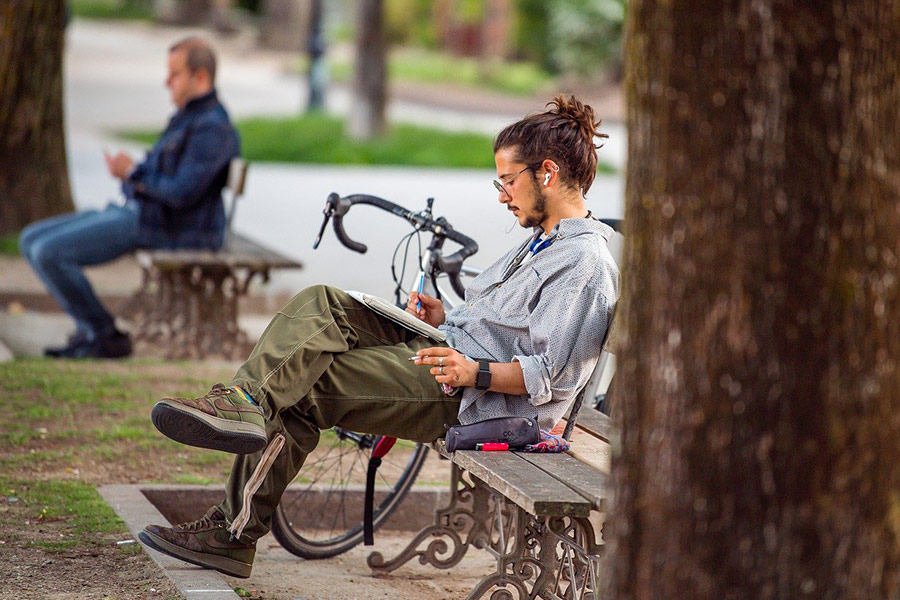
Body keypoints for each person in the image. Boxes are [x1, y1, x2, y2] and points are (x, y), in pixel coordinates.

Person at [139, 95, 619, 579]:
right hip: (448, 349)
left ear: (548, 173)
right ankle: (243, 402)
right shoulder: (545, 240)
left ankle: (230, 535)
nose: (501, 194)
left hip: (476, 399)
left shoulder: (584, 262)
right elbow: (508, 328)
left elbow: (552, 378)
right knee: (322, 301)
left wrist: (476, 371)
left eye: (508, 180)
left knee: (309, 387)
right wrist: (446, 316)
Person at [19, 37, 240, 359]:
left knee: (48, 252)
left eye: (174, 74)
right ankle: (91, 330)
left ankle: (103, 334)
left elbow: (181, 194)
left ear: (201, 77)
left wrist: (133, 174)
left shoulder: (213, 129)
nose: (167, 82)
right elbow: (161, 179)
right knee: (29, 239)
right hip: (143, 214)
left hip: (171, 228)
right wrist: (131, 174)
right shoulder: (188, 118)